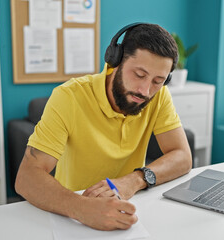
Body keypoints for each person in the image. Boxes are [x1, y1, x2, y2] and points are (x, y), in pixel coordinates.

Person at [15, 23, 192, 231]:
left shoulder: (159, 96)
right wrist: (83, 208)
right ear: (115, 60)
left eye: (157, 80)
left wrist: (134, 181)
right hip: (71, 218)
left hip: (130, 211)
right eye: (139, 75)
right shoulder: (69, 97)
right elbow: (27, 178)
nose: (145, 91)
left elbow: (182, 155)